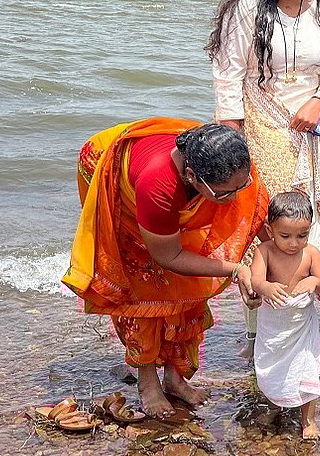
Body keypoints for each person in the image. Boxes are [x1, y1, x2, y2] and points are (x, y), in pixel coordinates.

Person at [207, 0, 320, 356]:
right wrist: (233, 142)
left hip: (311, 133)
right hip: (260, 126)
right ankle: (258, 332)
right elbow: (228, 74)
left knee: (309, 224)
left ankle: (304, 326)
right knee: (264, 225)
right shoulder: (248, 9)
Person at [63, 119, 268, 416]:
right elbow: (168, 257)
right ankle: (147, 384)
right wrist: (235, 269)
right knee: (146, 285)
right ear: (190, 176)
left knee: (189, 280)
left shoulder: (230, 161)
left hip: (173, 178)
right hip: (109, 171)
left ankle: (175, 379)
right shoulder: (157, 185)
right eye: (224, 195)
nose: (235, 199)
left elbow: (256, 209)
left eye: (242, 186)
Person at [249, 191, 320, 441]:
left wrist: (313, 281)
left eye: (302, 235)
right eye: (285, 236)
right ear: (270, 229)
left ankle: (308, 420)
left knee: (307, 370)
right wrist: (265, 287)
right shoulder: (264, 251)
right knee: (273, 370)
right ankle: (276, 405)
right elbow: (255, 280)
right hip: (274, 327)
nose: (294, 243)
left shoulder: (311, 254)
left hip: (302, 326)